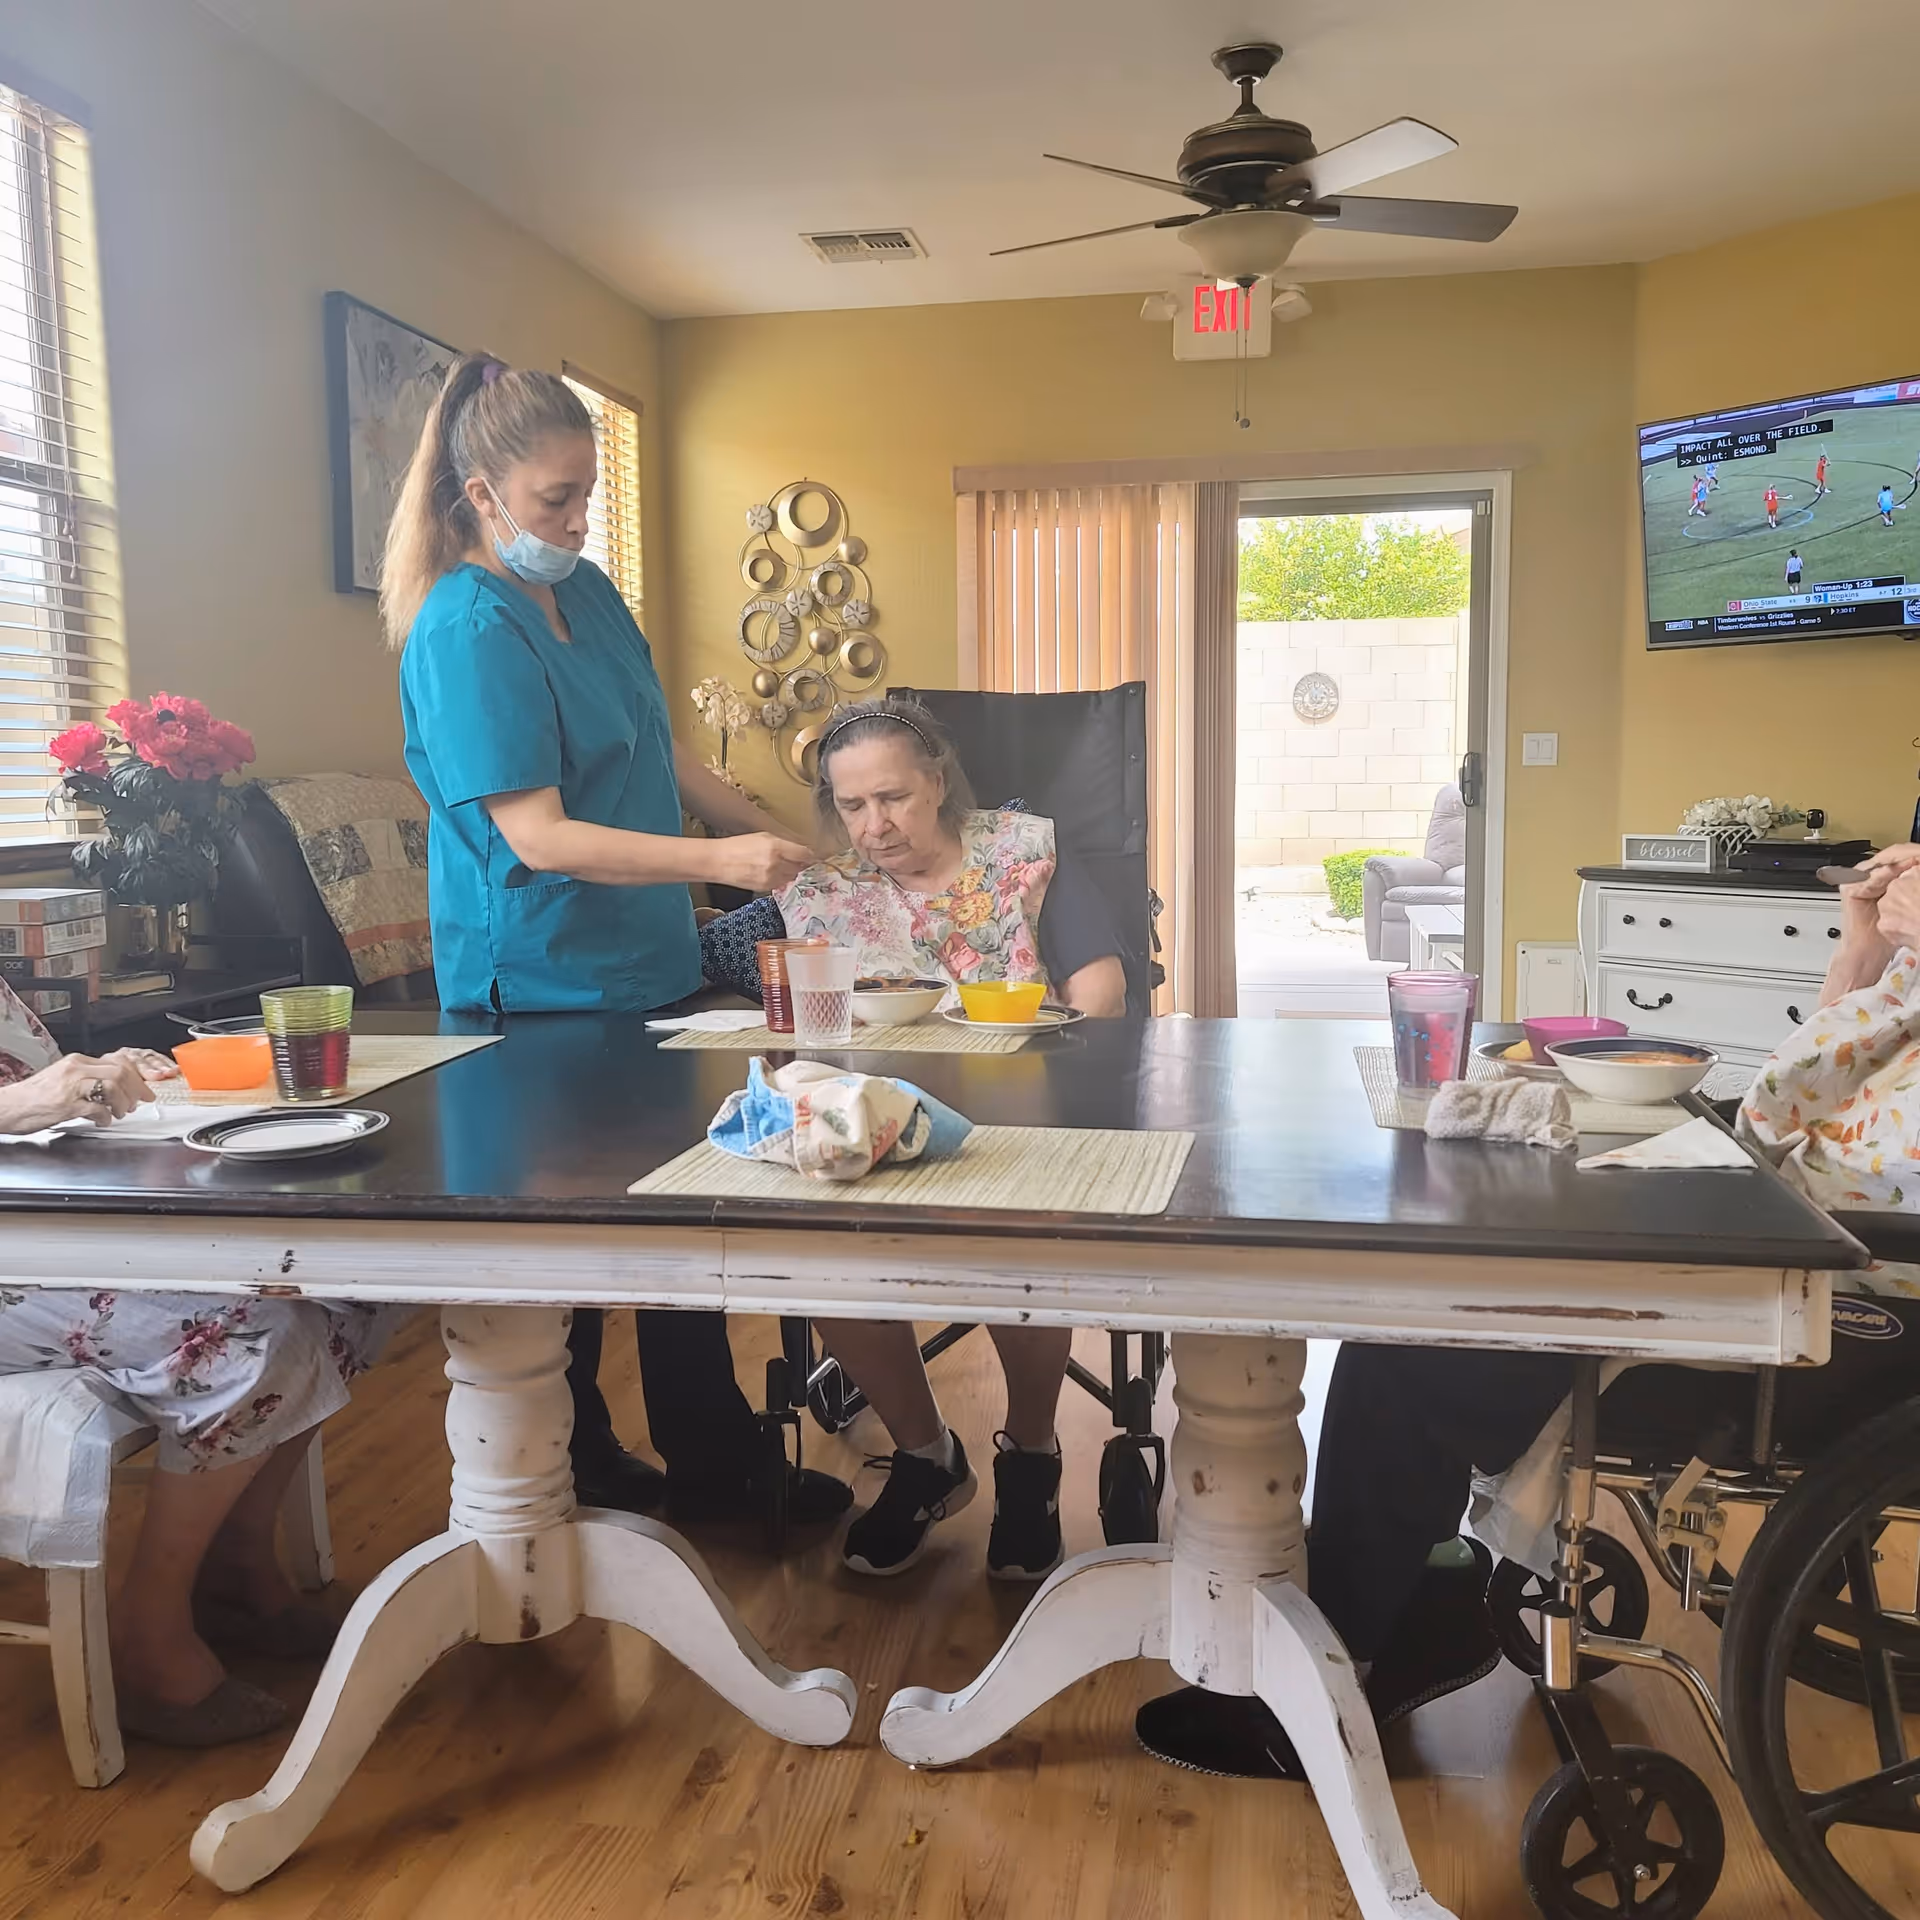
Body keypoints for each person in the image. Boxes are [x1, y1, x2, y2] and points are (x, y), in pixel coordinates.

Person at [1135, 844, 1920, 1778]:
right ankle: (1417, 1599)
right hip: (1774, 1245)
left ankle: (1351, 1659)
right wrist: (1862, 959)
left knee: (1406, 1365)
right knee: (1416, 1314)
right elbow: (1789, 1107)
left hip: (1847, 1312)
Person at [381, 353, 849, 1529]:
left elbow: (660, 747)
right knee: (580, 1256)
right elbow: (534, 836)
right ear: (480, 494)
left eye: (586, 492)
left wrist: (780, 833)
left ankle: (712, 1462)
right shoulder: (464, 627)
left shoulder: (584, 592)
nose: (576, 519)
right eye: (553, 500)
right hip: (538, 986)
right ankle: (583, 1469)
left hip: (647, 967)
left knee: (691, 1220)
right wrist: (720, 866)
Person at [776, 697, 1128, 1581]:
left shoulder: (1020, 856)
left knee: (1021, 1250)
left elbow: (1102, 992)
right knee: (812, 1248)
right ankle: (928, 1456)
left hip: (1021, 1107)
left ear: (937, 784)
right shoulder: (828, 894)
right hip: (880, 1114)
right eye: (852, 806)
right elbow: (807, 1024)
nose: (875, 826)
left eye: (893, 798)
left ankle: (1032, 1458)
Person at [0, 981, 399, 1748]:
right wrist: (24, 1105)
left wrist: (100, 1077)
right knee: (247, 1331)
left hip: (40, 1221)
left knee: (350, 1283)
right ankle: (146, 1636)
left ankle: (235, 1569)